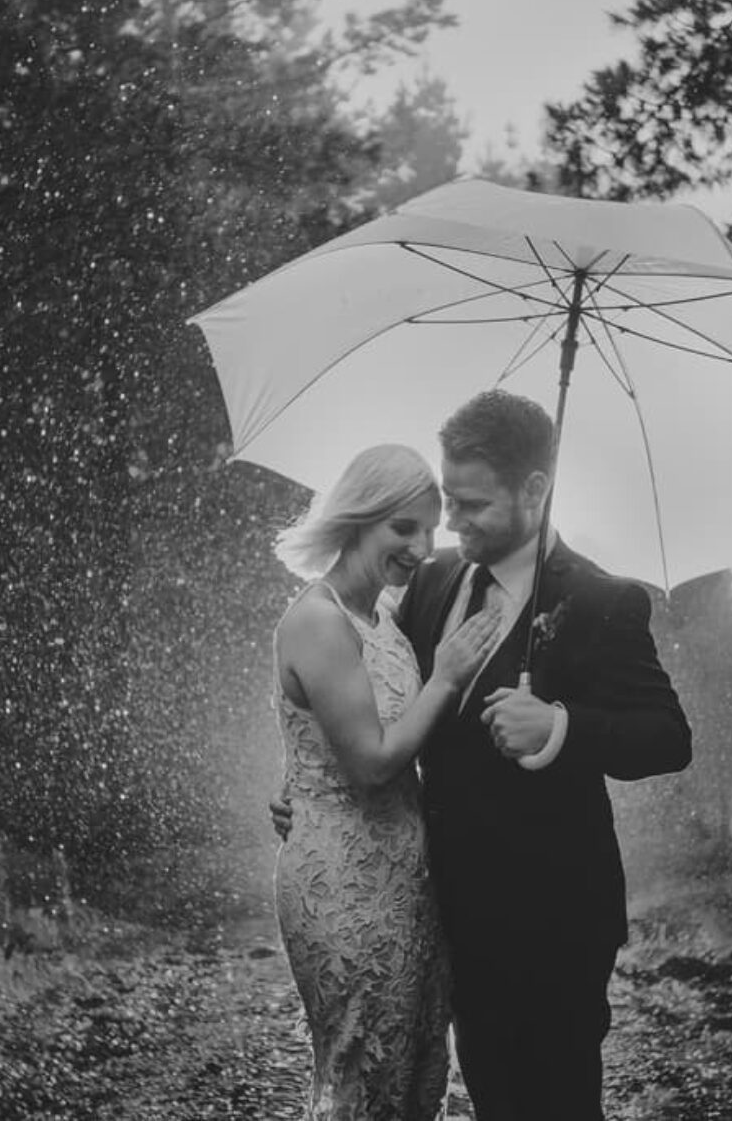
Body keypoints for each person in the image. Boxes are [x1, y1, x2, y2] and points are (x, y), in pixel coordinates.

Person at [277, 391, 692, 1120]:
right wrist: (311, 786)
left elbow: (666, 735)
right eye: (449, 505)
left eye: (472, 507)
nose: (453, 526)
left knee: (556, 1106)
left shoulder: (601, 600)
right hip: (452, 914)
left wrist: (561, 725)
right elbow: (367, 692)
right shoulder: (433, 580)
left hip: (555, 919)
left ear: (535, 490)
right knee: (491, 1098)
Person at [269, 443, 504, 1121]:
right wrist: (448, 678)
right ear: (359, 518)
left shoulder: (383, 620)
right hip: (342, 886)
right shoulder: (318, 619)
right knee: (360, 1074)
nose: (423, 546)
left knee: (413, 1071)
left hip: (405, 882)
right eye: (404, 527)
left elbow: (332, 737)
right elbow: (371, 761)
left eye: (431, 529)